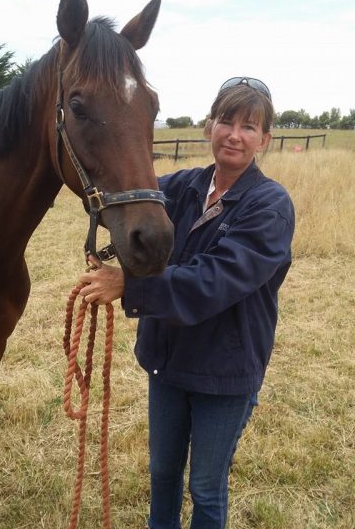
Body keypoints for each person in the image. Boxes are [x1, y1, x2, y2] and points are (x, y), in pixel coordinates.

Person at [79, 76, 295, 529]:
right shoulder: (181, 188)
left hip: (225, 371)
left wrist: (129, 286)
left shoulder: (269, 205)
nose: (235, 134)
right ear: (209, 126)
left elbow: (214, 281)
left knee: (206, 487)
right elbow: (128, 194)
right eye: (226, 120)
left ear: (265, 139)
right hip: (168, 361)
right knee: (161, 473)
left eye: (249, 126)